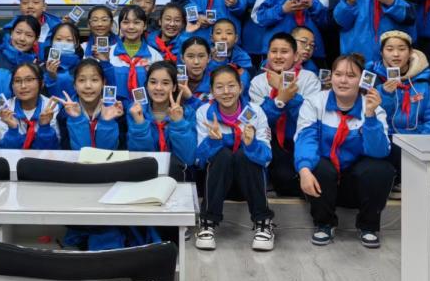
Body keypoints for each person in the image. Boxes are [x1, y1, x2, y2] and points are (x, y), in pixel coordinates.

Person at [294, 53, 394, 249]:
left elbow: (380, 152)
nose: (343, 80)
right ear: (331, 76)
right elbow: (306, 139)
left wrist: (370, 116)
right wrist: (304, 170)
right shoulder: (315, 102)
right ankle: (324, 224)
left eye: (351, 75)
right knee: (317, 166)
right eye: (338, 74)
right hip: (324, 182)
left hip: (355, 184)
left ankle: (368, 226)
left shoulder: (373, 107)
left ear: (362, 79)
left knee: (380, 169)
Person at [195, 66, 275, 252]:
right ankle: (207, 222)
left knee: (244, 155)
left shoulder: (255, 112)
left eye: (231, 86)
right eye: (219, 87)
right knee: (222, 154)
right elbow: (199, 161)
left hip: (248, 183)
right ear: (212, 91)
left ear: (241, 87)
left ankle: (263, 222)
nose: (226, 92)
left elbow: (267, 158)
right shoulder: (204, 113)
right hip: (217, 183)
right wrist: (212, 143)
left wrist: (252, 145)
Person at [367, 31, 430, 194]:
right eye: (389, 49)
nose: (396, 54)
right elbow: (367, 115)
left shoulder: (428, 78)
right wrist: (385, 94)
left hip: (418, 141)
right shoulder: (371, 77)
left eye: (402, 49)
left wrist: (422, 144)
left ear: (410, 52)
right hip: (386, 140)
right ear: (381, 52)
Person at [247, 32, 320, 196]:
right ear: (267, 54)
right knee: (282, 176)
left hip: (300, 137)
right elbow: (258, 120)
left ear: (296, 56)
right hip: (271, 139)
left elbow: (309, 117)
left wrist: (288, 94)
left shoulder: (309, 79)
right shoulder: (258, 81)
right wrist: (279, 101)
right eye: (274, 51)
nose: (278, 56)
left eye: (284, 52)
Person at [126, 62, 196, 177]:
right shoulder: (136, 111)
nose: (158, 88)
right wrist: (140, 125)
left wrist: (179, 123)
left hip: (177, 177)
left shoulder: (187, 113)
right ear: (146, 85)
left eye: (165, 83)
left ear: (174, 87)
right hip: (145, 176)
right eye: (153, 82)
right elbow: (139, 159)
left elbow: (187, 159)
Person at [53, 58, 124, 150]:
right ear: (74, 85)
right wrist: (77, 119)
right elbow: (69, 151)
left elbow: (115, 151)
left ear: (103, 83)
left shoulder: (117, 112)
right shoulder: (64, 115)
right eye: (82, 80)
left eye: (94, 80)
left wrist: (107, 122)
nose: (88, 86)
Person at [0, 63, 61, 150]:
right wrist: (13, 130)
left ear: (41, 83)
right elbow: (5, 150)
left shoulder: (51, 107)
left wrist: (45, 128)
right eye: (17, 81)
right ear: (12, 85)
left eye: (29, 80)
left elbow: (51, 149)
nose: (23, 86)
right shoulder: (4, 110)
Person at [104, 5, 161, 99]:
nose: (131, 27)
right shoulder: (108, 53)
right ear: (120, 25)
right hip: (114, 106)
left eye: (136, 22)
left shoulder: (155, 56)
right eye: (126, 22)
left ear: (144, 26)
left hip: (144, 107)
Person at [43, 22, 83, 98]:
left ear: (77, 44)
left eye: (69, 40)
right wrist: (51, 77)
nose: (63, 43)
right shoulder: (42, 67)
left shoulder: (83, 67)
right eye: (58, 39)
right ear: (52, 42)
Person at [209, 17, 253, 84]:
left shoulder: (242, 57)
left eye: (229, 33)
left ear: (236, 38)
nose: (224, 37)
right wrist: (216, 62)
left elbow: (244, 81)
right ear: (212, 38)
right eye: (218, 33)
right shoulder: (206, 55)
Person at [179, 36, 213, 106]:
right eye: (190, 56)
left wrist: (190, 98)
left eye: (201, 56)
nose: (196, 62)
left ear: (209, 58)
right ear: (182, 58)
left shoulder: (215, 81)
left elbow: (210, 111)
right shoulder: (173, 80)